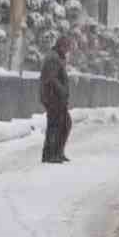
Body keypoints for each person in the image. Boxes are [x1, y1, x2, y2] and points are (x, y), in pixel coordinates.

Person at [40, 36, 73, 164]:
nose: (68, 50)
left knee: (63, 124)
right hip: (53, 97)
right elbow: (52, 79)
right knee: (56, 125)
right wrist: (62, 91)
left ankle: (55, 153)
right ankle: (51, 154)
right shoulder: (53, 58)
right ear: (61, 46)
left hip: (56, 97)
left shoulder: (57, 57)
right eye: (67, 47)